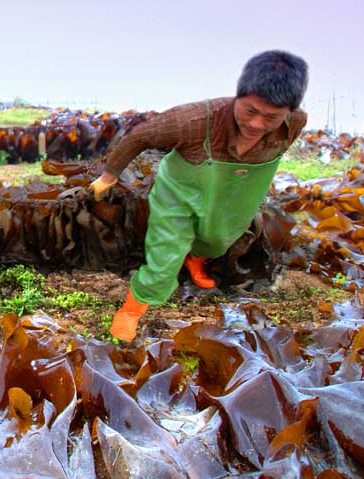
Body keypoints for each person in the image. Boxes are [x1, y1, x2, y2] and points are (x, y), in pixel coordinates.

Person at [90, 50, 308, 342]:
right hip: (179, 191)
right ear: (238, 96)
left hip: (231, 192)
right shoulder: (192, 120)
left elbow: (274, 137)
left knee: (218, 239)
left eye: (271, 117)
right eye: (250, 111)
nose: (257, 124)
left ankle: (195, 257)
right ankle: (132, 309)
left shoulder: (295, 124)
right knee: (165, 255)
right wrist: (108, 177)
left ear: (289, 112)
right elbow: (138, 137)